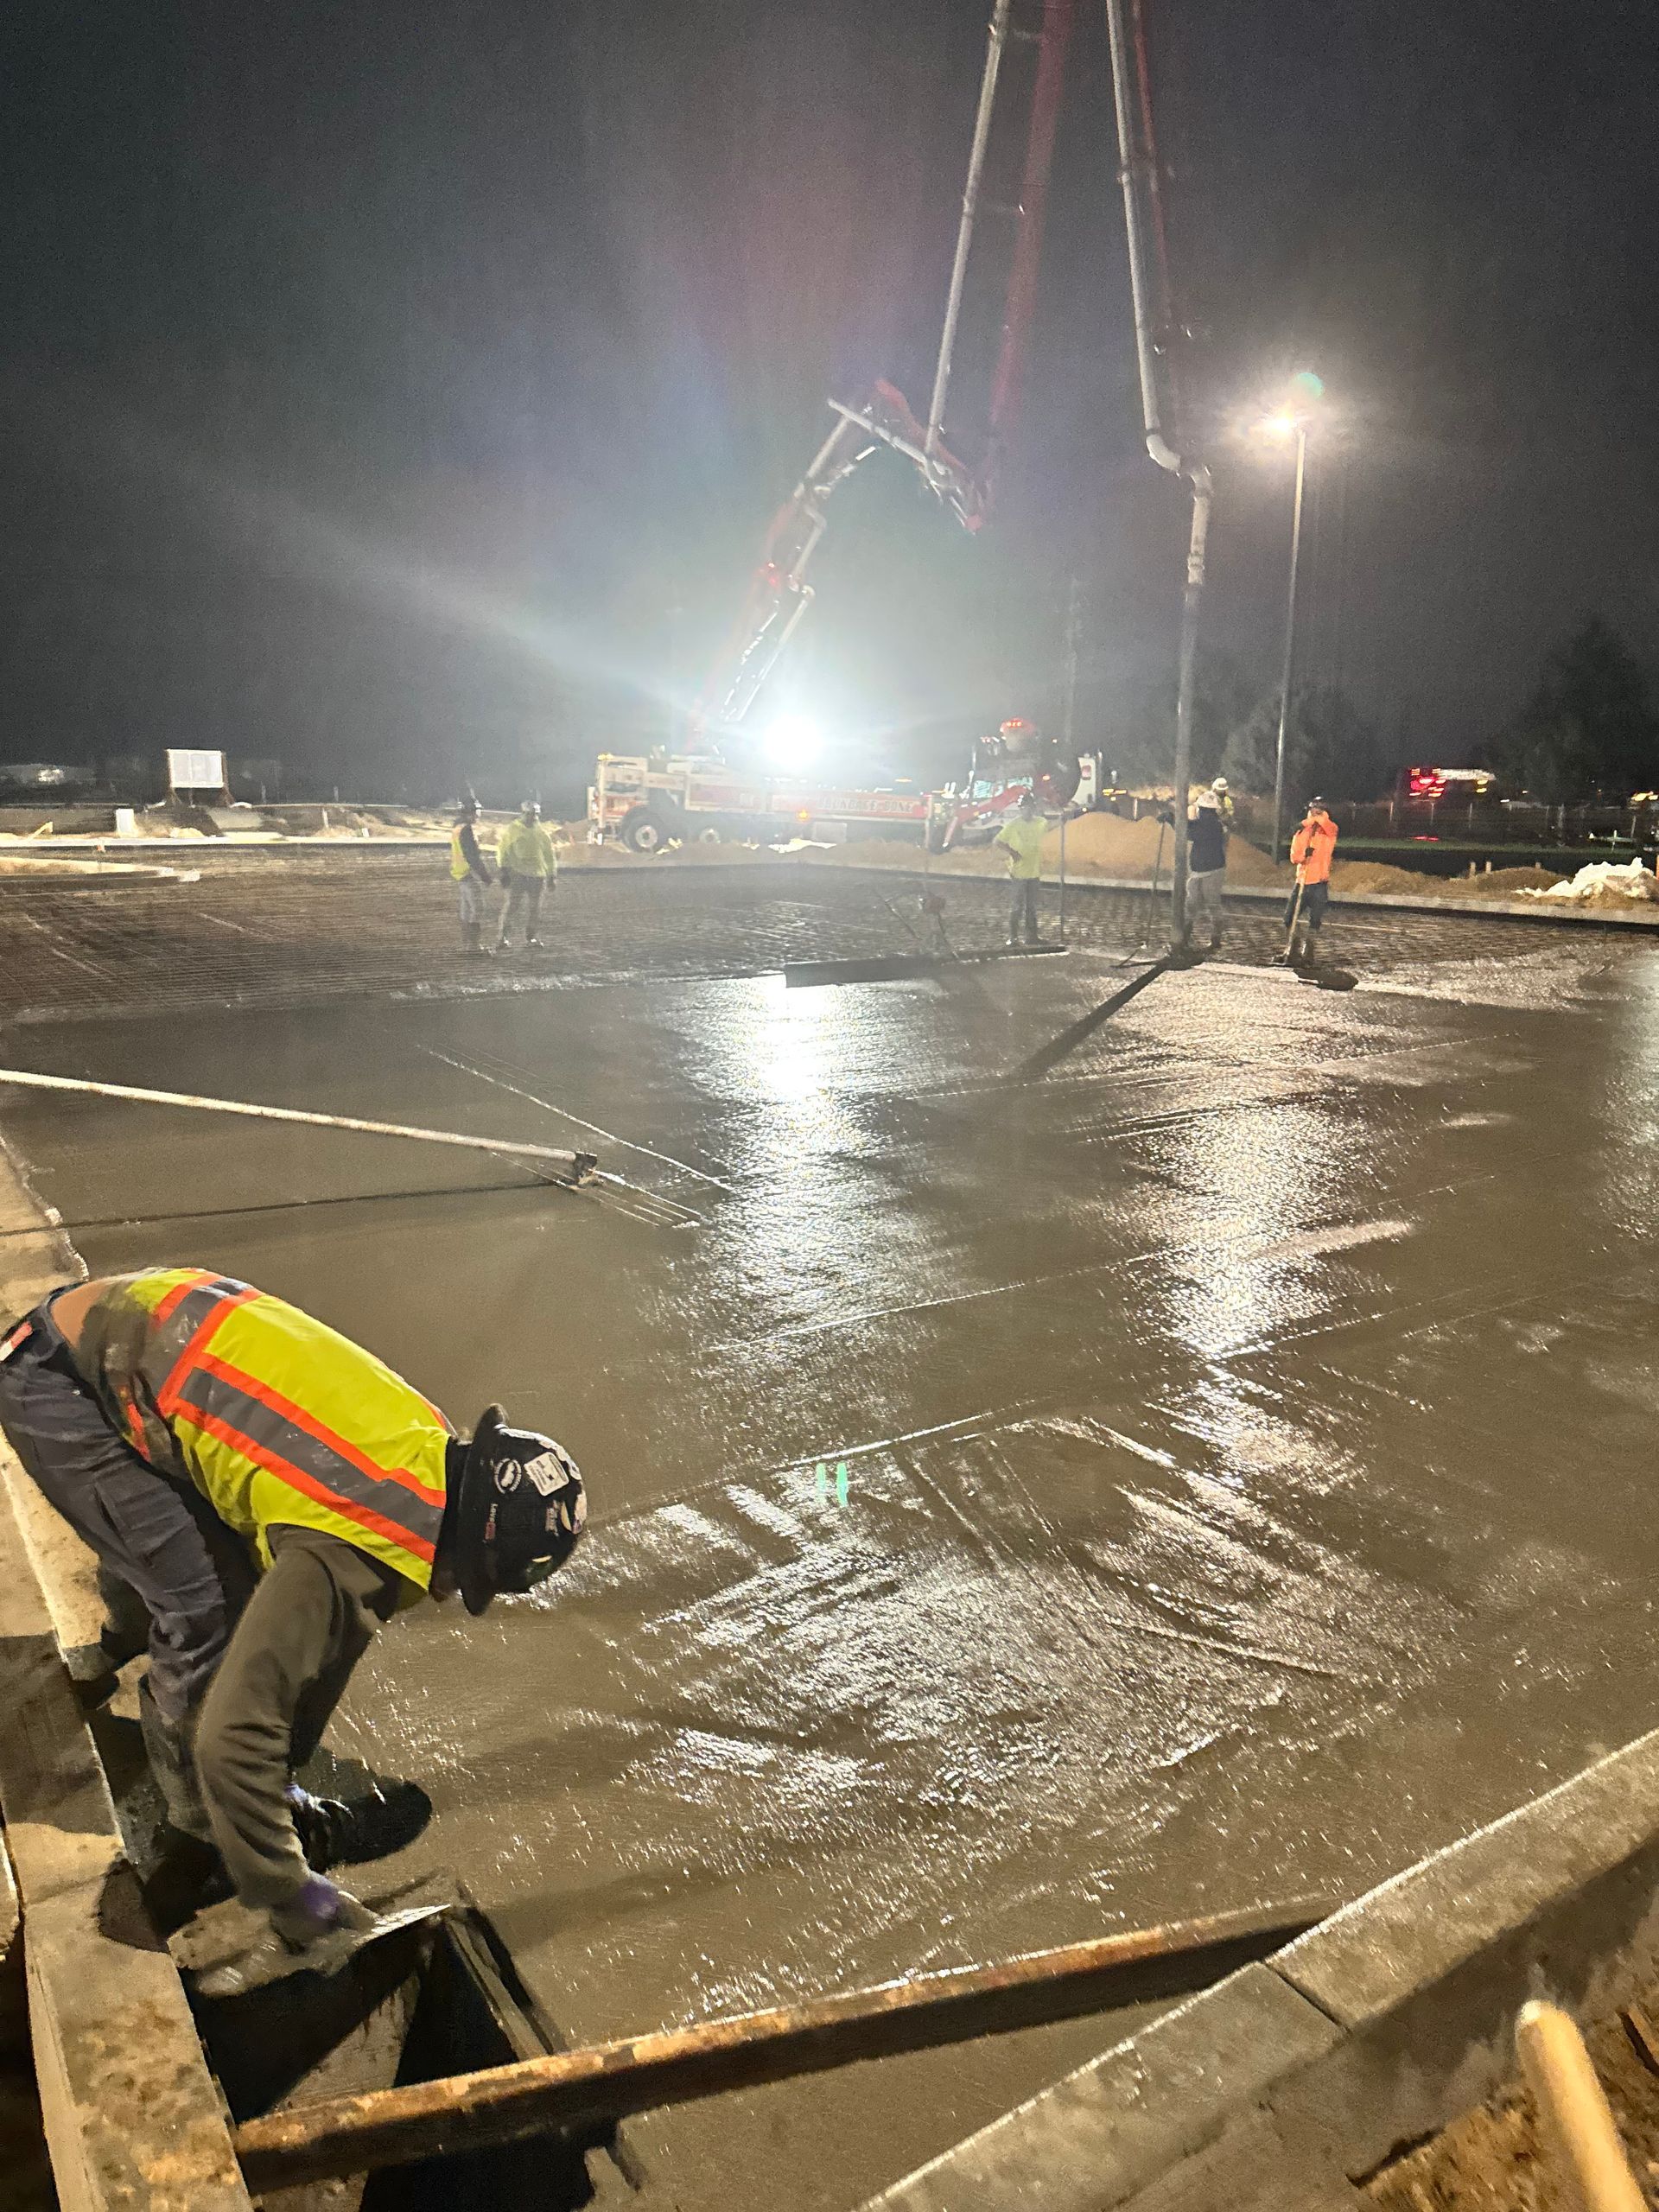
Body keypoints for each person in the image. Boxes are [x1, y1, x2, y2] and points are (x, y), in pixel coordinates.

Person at [0, 1268, 586, 1994]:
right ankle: (201, 1836)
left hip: (146, 1328)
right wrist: (291, 1895)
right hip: (57, 1385)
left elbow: (328, 1645)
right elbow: (233, 1737)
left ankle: (131, 1648)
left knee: (202, 1552)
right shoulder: (362, 1547)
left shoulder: (429, 1448)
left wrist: (287, 1749)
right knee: (211, 1617)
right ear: (473, 1567)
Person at [494, 799, 559, 950]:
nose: (533, 817)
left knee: (534, 909)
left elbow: (549, 856)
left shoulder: (541, 833)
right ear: (523, 813)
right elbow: (503, 851)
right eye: (530, 814)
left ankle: (531, 937)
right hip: (518, 874)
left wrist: (551, 876)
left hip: (537, 876)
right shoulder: (513, 831)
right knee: (512, 907)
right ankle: (503, 938)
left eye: (535, 815)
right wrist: (504, 871)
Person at [1285, 795, 1339, 963]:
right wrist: (1303, 855)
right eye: (1314, 808)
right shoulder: (1301, 832)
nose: (1316, 810)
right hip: (1302, 881)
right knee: (1289, 918)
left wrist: (1307, 822)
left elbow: (1326, 825)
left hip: (1319, 883)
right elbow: (1294, 857)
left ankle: (1308, 952)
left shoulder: (1329, 829)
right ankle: (1294, 948)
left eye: (1320, 808)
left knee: (1315, 921)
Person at [995, 790, 1047, 947]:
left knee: (1031, 907)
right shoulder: (1014, 824)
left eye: (1030, 807)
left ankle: (1032, 936)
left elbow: (1054, 824)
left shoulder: (1040, 822)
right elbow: (998, 841)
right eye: (1025, 807)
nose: (1028, 810)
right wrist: (1013, 853)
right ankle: (1013, 937)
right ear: (1021, 809)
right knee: (1017, 906)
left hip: (1034, 872)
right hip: (1019, 872)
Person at [449, 799, 495, 957]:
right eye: (477, 811)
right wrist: (485, 876)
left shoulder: (457, 827)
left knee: (466, 910)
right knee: (477, 909)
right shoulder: (466, 830)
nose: (479, 815)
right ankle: (474, 946)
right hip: (469, 874)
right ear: (471, 811)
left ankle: (466, 945)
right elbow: (472, 856)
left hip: (460, 873)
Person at [1185, 790, 1229, 950]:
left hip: (1211, 871)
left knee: (1206, 904)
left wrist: (1174, 821)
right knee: (1197, 904)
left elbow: (1192, 833)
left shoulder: (1212, 826)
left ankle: (1213, 939)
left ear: (1201, 808)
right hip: (1202, 870)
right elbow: (1193, 829)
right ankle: (1189, 935)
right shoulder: (1214, 824)